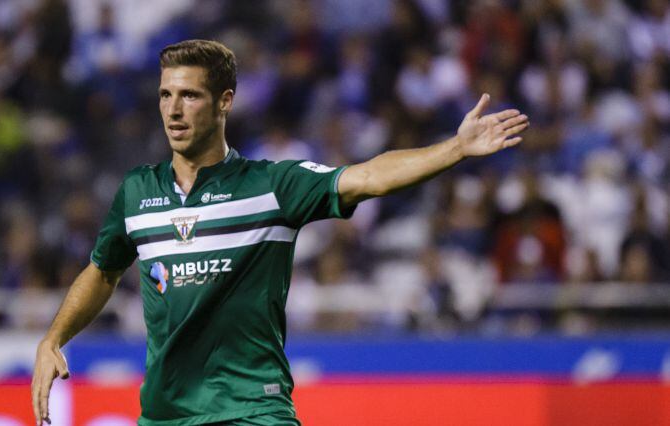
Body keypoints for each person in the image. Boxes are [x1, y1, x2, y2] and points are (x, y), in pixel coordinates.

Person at [31, 39, 529, 426]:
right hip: (165, 414)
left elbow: (369, 176)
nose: (173, 110)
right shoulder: (138, 192)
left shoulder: (272, 186)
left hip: (253, 409)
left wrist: (454, 149)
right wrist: (55, 336)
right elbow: (103, 271)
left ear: (224, 102)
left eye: (189, 96)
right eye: (165, 94)